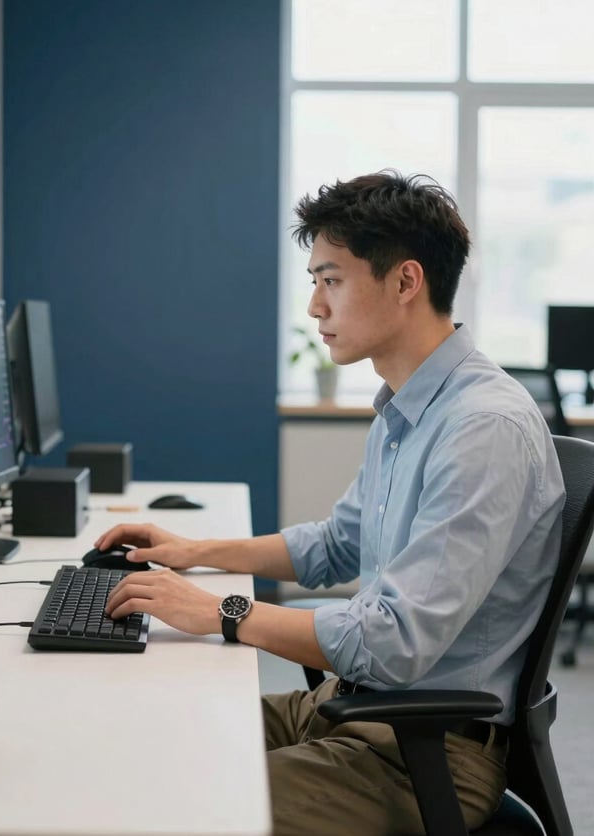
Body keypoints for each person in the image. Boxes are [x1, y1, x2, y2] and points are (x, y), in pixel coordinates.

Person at [96, 170, 565, 835]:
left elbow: (397, 642)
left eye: (331, 280)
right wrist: (190, 552)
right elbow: (331, 545)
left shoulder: (481, 428)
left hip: (420, 754)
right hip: (352, 709)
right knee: (133, 736)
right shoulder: (407, 411)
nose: (315, 306)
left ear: (406, 282)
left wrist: (223, 610)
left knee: (181, 802)